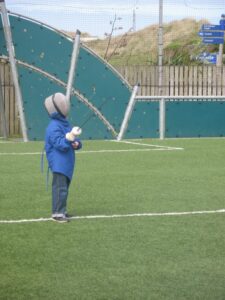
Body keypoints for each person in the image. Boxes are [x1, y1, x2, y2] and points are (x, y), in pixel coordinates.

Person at [44, 92, 82, 223]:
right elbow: (61, 144)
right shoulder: (53, 126)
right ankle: (57, 213)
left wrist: (77, 143)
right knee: (60, 189)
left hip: (67, 163)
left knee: (64, 189)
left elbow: (73, 141)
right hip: (59, 164)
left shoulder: (65, 124)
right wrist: (70, 138)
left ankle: (62, 210)